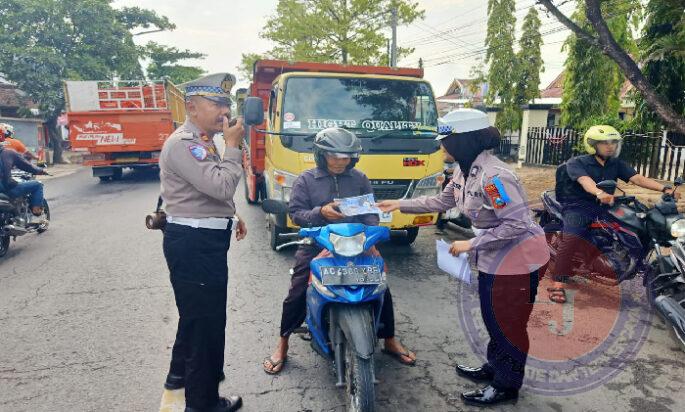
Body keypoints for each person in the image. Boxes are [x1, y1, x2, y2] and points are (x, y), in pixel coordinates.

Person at [378, 108, 549, 406]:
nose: (441, 146)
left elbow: (518, 223)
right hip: (495, 258)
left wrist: (473, 243)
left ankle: (507, 385)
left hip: (518, 261)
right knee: (493, 317)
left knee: (507, 324)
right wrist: (400, 204)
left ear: (462, 141)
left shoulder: (494, 179)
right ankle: (494, 368)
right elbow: (442, 200)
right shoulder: (463, 169)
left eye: (445, 140)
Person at [262, 127, 416, 374]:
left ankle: (389, 339)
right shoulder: (306, 180)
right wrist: (320, 212)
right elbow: (295, 214)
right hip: (317, 243)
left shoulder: (359, 179)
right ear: (321, 155)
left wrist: (372, 243)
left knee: (381, 285)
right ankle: (283, 343)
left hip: (356, 245)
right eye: (334, 156)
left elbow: (370, 214)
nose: (340, 161)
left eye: (346, 157)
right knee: (298, 287)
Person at [159, 73, 247, 412]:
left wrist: (232, 214)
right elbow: (222, 185)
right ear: (193, 108)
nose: (225, 110)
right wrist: (235, 146)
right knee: (205, 323)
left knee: (197, 318)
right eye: (217, 104)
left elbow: (207, 190)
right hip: (195, 244)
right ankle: (203, 403)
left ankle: (179, 379)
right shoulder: (186, 143)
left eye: (227, 103)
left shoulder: (204, 139)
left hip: (201, 239)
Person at [549, 125, 681, 303]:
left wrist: (665, 189)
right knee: (572, 237)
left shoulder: (615, 163)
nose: (610, 146)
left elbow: (637, 178)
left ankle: (625, 258)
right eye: (605, 143)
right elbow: (585, 181)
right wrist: (599, 193)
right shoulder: (577, 162)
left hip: (607, 203)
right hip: (578, 205)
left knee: (639, 222)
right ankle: (558, 284)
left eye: (613, 143)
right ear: (593, 144)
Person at [0, 133, 47, 221]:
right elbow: (26, 165)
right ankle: (36, 211)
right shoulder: (9, 152)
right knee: (37, 185)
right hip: (5, 186)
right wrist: (40, 171)